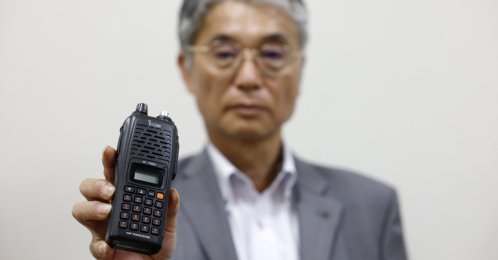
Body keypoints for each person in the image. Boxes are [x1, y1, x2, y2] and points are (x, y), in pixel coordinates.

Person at [72, 0, 408, 259]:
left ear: (299, 71)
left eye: (273, 53)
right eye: (224, 53)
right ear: (187, 70)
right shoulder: (147, 209)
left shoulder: (373, 206)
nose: (248, 78)